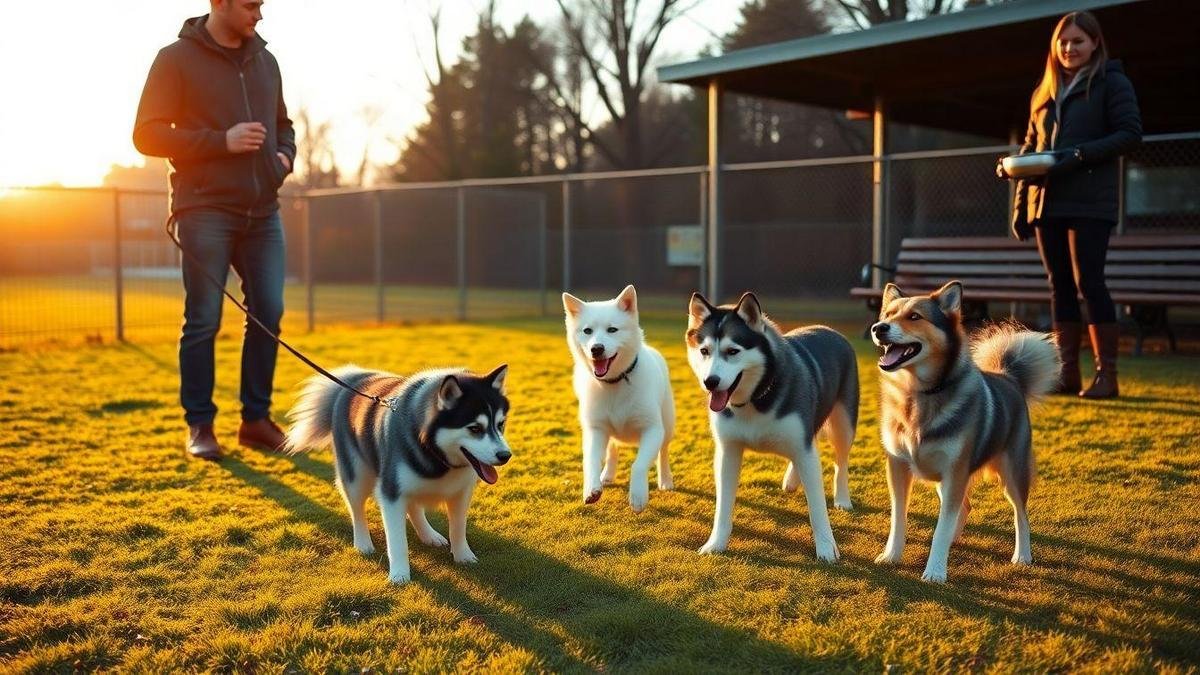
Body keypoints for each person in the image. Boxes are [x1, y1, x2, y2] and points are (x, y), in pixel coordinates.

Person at [133, 0, 295, 459]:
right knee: (204, 318)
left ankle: (256, 421)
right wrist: (220, 142)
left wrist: (283, 160)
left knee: (269, 311)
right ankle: (200, 427)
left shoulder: (267, 61)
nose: (259, 14)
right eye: (250, 5)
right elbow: (146, 134)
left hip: (263, 210)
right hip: (204, 207)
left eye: (261, 5)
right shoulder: (175, 59)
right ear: (218, 2)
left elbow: (285, 126)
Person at [999, 10, 1141, 399]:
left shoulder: (1113, 81)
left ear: (1095, 43)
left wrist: (1078, 155)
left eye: (1078, 41)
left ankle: (1106, 376)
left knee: (1089, 283)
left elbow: (1130, 133)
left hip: (1091, 201)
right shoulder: (1043, 91)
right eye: (1063, 41)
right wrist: (1018, 200)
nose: (1069, 48)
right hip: (1048, 203)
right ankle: (1067, 376)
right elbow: (1031, 148)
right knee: (1059, 287)